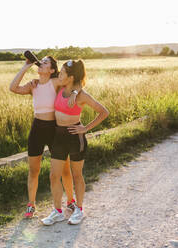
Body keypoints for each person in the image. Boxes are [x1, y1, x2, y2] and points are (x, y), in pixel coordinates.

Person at [9, 56, 79, 218]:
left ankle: (70, 201)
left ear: (52, 70)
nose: (41, 63)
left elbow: (75, 83)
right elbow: (13, 88)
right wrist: (26, 66)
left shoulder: (54, 82)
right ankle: (31, 205)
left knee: (65, 169)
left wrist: (74, 93)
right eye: (40, 61)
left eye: (45, 62)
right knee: (34, 170)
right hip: (37, 129)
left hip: (54, 129)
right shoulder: (32, 85)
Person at [41, 60, 109, 225]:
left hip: (74, 136)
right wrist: (73, 91)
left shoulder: (82, 95)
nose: (60, 75)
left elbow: (103, 112)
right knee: (53, 175)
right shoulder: (60, 87)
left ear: (71, 77)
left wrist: (86, 128)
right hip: (58, 137)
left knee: (77, 175)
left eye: (63, 73)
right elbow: (49, 80)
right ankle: (57, 211)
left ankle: (79, 209)